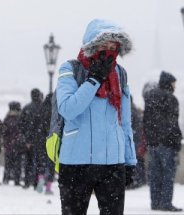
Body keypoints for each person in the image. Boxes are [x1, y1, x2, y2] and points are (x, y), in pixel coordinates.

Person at [55, 19, 137, 214]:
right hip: (76, 162)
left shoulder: (120, 74)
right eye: (104, 45)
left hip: (112, 164)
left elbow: (124, 122)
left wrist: (130, 160)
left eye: (113, 46)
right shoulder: (70, 69)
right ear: (92, 45)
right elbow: (67, 108)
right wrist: (94, 80)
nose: (109, 50)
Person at [143, 71, 182, 212]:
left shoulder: (150, 97)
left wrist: (150, 139)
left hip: (153, 143)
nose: (175, 86)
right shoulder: (171, 99)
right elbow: (173, 124)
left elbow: (146, 121)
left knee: (155, 175)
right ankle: (165, 203)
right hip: (167, 143)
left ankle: (155, 203)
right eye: (174, 83)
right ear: (168, 82)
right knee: (167, 175)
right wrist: (177, 140)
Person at [19, 88, 43, 189]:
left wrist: (26, 138)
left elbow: (21, 125)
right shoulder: (43, 108)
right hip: (41, 139)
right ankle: (36, 182)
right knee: (39, 162)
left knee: (28, 162)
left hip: (29, 140)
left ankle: (27, 181)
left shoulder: (26, 108)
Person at [2, 101, 24, 186]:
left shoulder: (7, 118)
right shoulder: (20, 118)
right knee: (17, 163)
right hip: (17, 144)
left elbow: (4, 132)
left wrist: (5, 141)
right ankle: (17, 180)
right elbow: (21, 131)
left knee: (8, 162)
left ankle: (6, 178)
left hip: (8, 144)